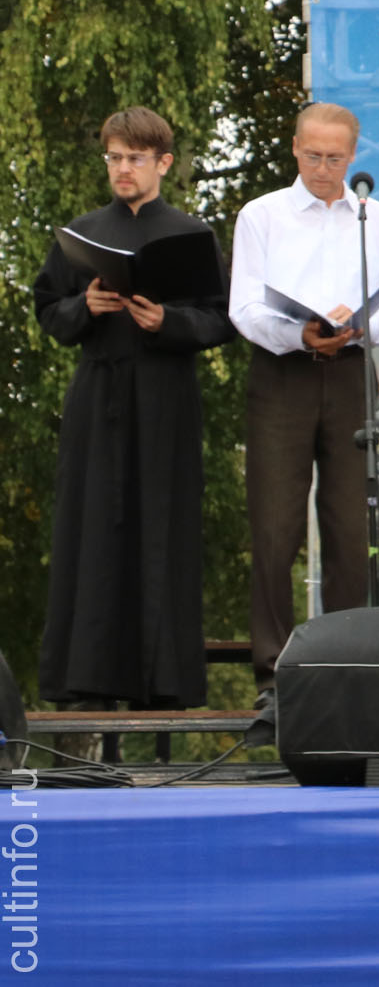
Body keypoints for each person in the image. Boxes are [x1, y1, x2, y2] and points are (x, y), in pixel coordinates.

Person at [34, 108, 234, 716]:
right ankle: (86, 680)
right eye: (115, 158)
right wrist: (85, 307)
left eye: (135, 159)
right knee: (91, 530)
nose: (123, 169)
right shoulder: (82, 232)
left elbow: (222, 318)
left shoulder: (191, 235)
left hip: (166, 398)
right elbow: (48, 310)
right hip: (99, 396)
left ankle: (163, 681)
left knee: (162, 529)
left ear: (163, 163)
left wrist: (167, 320)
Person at [230, 103, 379, 709]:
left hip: (349, 373)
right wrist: (300, 333)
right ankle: (273, 674)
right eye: (312, 155)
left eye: (334, 158)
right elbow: (245, 307)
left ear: (353, 156)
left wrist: (362, 327)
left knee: (350, 525)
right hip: (282, 373)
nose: (322, 167)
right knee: (274, 526)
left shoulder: (376, 219)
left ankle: (346, 665)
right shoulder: (262, 215)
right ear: (294, 147)